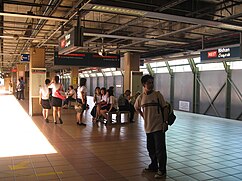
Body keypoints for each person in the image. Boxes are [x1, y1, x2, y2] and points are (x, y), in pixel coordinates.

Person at [134, 75, 169, 179]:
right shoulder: (141, 97)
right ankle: (153, 165)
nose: (151, 84)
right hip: (148, 127)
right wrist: (144, 116)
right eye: (149, 83)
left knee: (160, 149)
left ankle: (162, 170)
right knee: (151, 148)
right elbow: (136, 108)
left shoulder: (157, 95)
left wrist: (165, 122)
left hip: (158, 126)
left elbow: (165, 108)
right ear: (144, 84)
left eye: (152, 82)